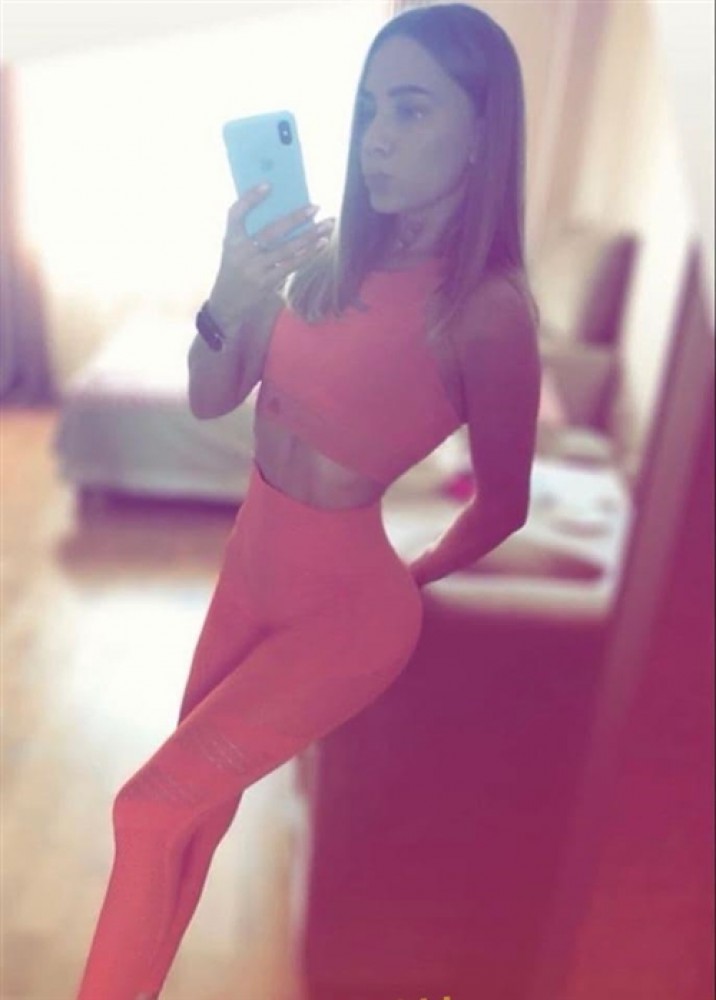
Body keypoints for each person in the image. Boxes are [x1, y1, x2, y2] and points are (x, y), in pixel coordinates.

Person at [75, 4, 541, 997]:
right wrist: (230, 287)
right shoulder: (323, 263)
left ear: (480, 133)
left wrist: (404, 583)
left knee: (146, 810)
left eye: (411, 109)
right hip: (248, 572)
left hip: (344, 615)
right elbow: (211, 397)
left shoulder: (489, 312)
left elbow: (503, 504)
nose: (376, 136)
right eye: (369, 108)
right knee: (185, 823)